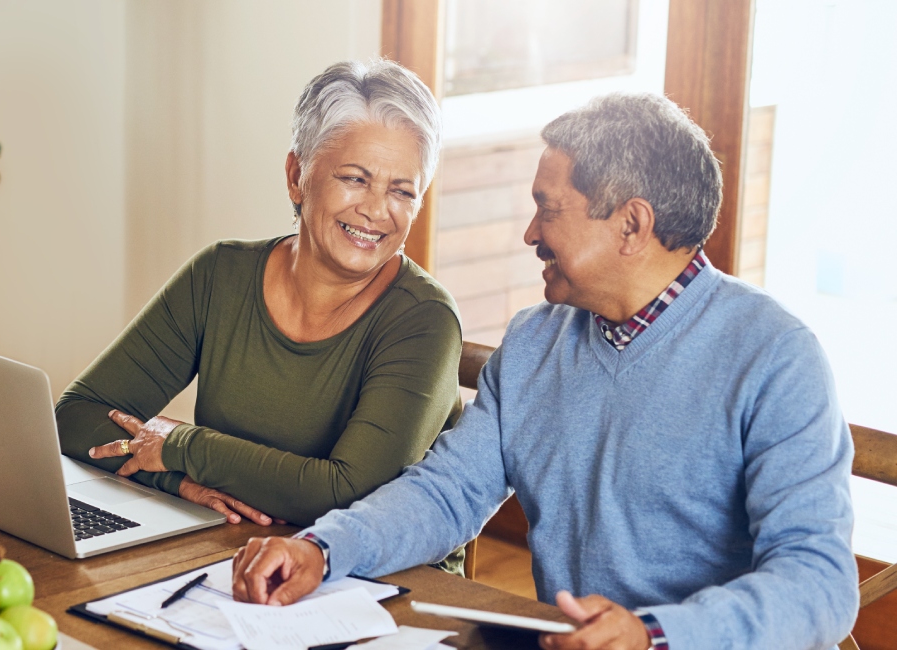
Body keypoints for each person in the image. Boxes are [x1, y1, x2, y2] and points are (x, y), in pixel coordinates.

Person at [230, 92, 859, 650]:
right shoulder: (535, 340)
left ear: (631, 225)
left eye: (547, 208)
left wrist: (656, 637)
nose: (530, 231)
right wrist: (323, 547)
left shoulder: (775, 356)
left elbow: (819, 584)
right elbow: (447, 493)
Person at [54, 60, 465, 547]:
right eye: (356, 178)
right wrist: (174, 478)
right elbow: (76, 417)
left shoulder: (424, 320)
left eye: (402, 191)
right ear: (297, 176)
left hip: (377, 578)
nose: (377, 210)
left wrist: (183, 446)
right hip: (231, 549)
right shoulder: (219, 275)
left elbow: (348, 492)